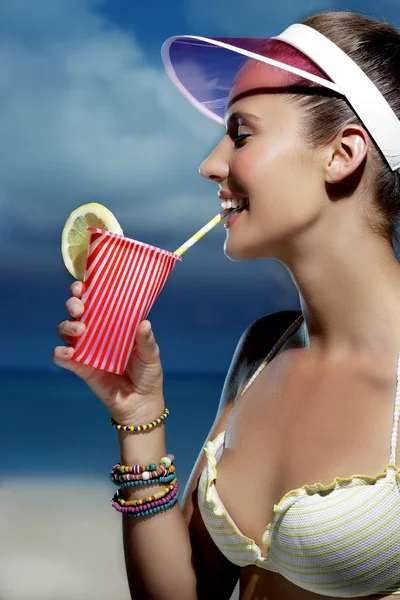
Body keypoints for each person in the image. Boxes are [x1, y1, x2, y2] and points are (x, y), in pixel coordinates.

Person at [53, 9, 400, 600]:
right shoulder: (261, 351)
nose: (210, 163)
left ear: (342, 155)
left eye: (241, 134)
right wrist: (139, 416)